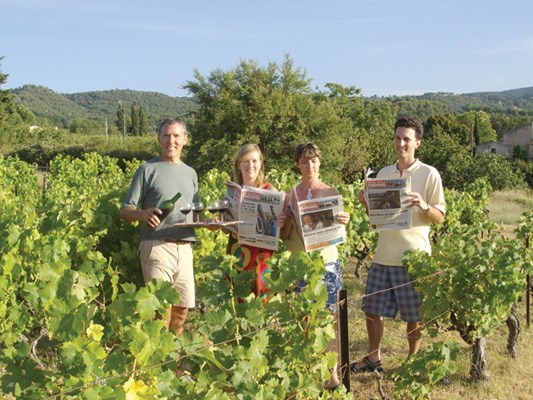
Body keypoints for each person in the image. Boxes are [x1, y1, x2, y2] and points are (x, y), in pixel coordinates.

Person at [350, 116, 446, 373]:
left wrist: (423, 206)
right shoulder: (383, 174)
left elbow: (440, 217)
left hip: (414, 258)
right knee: (371, 309)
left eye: (406, 139)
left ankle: (412, 361)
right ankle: (373, 358)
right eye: (397, 138)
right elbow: (377, 219)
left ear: (418, 143)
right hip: (383, 255)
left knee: (414, 316)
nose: (401, 143)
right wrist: (366, 203)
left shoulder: (429, 174)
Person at [279, 142, 350, 390]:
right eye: (304, 161)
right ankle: (309, 369)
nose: (310, 165)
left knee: (329, 319)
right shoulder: (291, 194)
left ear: (320, 162)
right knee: (304, 320)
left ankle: (332, 373)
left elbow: (340, 233)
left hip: (326, 263)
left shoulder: (330, 192)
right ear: (298, 164)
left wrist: (345, 220)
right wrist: (285, 220)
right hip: (299, 265)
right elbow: (284, 236)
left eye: (314, 160)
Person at [120, 118, 199, 336]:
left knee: (182, 309)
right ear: (159, 139)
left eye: (175, 136)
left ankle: (172, 365)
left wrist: (208, 222)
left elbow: (196, 210)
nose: (170, 140)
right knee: (160, 309)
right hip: (156, 245)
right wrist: (142, 214)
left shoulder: (191, 173)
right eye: (166, 135)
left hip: (184, 248)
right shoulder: (147, 169)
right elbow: (125, 210)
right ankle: (153, 363)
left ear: (185, 139)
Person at [223, 144, 277, 300]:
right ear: (239, 165)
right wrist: (222, 220)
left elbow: (278, 227)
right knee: (239, 302)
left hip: (261, 254)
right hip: (238, 253)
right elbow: (226, 230)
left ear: (260, 164)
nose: (250, 165)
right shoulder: (232, 192)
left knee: (263, 300)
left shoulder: (270, 190)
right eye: (245, 161)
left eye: (254, 161)